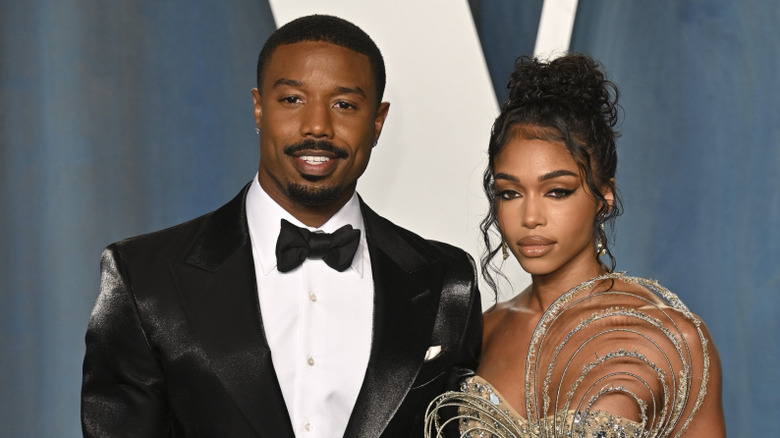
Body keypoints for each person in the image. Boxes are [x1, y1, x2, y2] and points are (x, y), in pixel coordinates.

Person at [81, 14, 481, 438]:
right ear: (258, 107)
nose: (317, 127)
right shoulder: (144, 277)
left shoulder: (446, 281)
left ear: (377, 122)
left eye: (344, 104)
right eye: (292, 100)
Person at [425, 54, 724, 437]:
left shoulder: (675, 337)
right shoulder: (483, 332)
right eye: (511, 193)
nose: (531, 216)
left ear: (605, 195)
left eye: (557, 191)